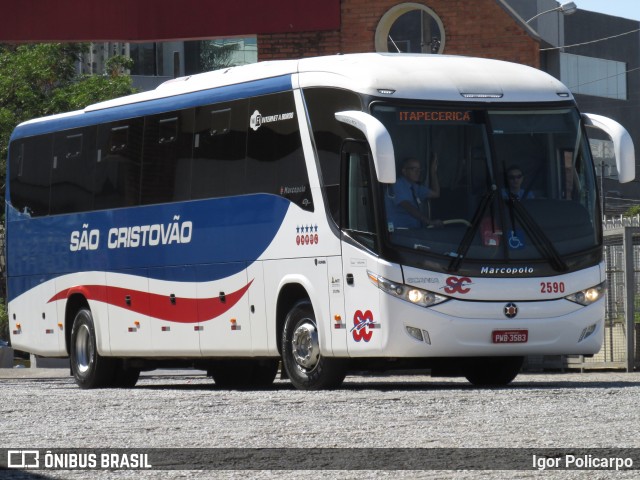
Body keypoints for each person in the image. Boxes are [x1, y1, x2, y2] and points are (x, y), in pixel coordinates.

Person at [387, 157, 441, 229]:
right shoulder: (398, 184)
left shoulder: (415, 187)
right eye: (414, 169)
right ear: (404, 171)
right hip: (400, 231)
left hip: (414, 231)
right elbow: (408, 207)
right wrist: (429, 221)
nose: (418, 172)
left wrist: (433, 171)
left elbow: (436, 193)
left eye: (419, 169)